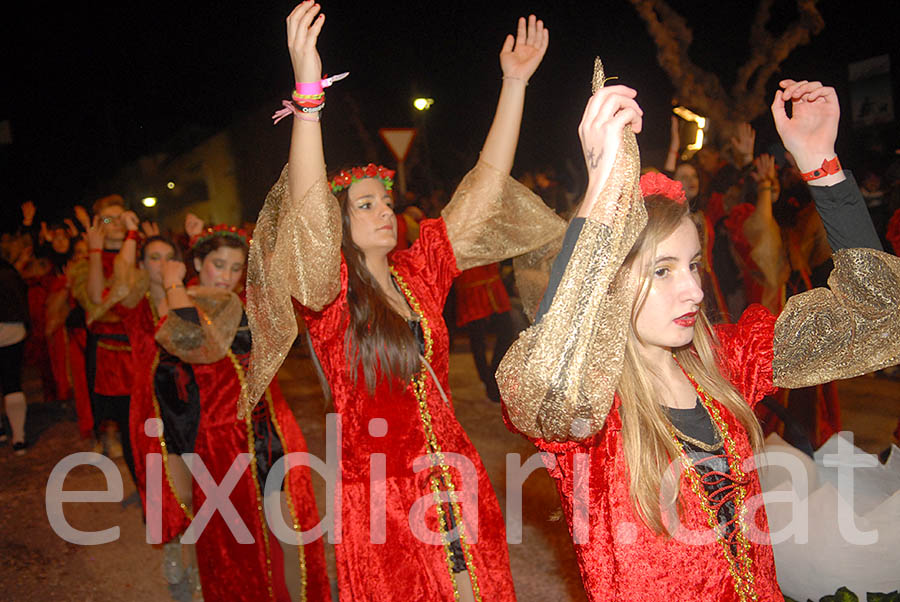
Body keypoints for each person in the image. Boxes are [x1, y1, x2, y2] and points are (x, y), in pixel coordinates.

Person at [497, 71, 900, 601]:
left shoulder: (725, 361)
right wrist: (599, 192)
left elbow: (879, 317)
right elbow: (538, 378)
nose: (693, 291)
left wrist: (822, 167)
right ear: (609, 280)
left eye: (692, 265)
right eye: (662, 271)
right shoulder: (590, 412)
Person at [244, 3, 562, 600]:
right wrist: (309, 100)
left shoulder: (421, 271)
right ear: (339, 222)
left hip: (456, 475)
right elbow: (310, 210)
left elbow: (485, 184)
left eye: (385, 202)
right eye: (364, 205)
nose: (384, 210)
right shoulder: (328, 292)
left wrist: (514, 83)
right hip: (385, 501)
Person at [109, 221, 330, 601]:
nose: (227, 276)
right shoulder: (181, 301)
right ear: (196, 262)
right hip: (223, 442)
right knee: (238, 541)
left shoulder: (245, 301)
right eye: (217, 264)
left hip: (274, 430)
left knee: (289, 529)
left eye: (235, 267)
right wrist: (175, 282)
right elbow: (197, 343)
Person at [0, 255, 29, 454]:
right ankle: (18, 436)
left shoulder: (7, 272)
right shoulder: (8, 272)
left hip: (11, 329)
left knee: (12, 384)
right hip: (13, 329)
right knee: (12, 383)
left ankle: (17, 434)